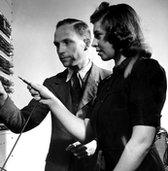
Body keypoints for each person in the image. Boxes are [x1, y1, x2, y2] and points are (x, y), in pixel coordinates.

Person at [27, 2, 167, 171]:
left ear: (118, 34)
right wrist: (51, 100)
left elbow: (141, 142)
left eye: (98, 35)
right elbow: (88, 131)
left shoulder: (145, 69)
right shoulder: (108, 82)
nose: (93, 43)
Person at [0, 18, 111, 171]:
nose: (60, 50)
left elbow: (120, 133)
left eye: (67, 42)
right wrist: (2, 95)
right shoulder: (52, 84)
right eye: (57, 45)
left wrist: (95, 143)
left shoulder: (109, 80)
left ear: (87, 42)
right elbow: (22, 122)